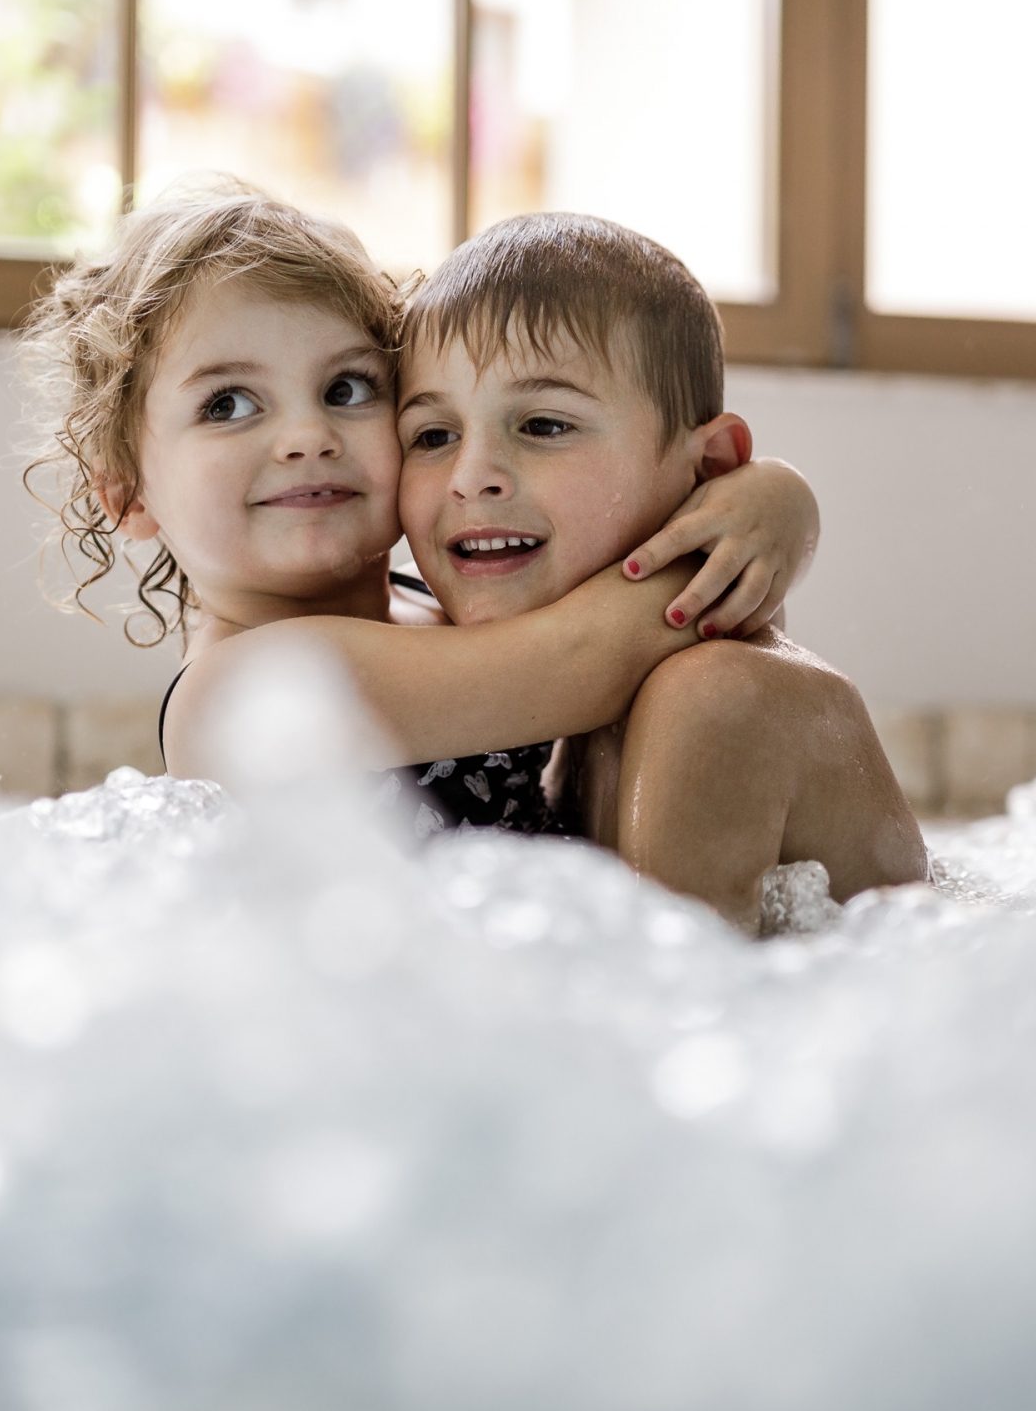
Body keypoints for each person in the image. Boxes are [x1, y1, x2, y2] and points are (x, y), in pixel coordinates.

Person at [22, 178, 820, 787]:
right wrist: (772, 507)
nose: (306, 437)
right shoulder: (245, 686)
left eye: (347, 389)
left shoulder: (450, 607)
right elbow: (593, 654)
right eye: (228, 404)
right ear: (129, 494)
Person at [395, 212, 928, 931]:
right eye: (433, 435)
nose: (471, 476)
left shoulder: (710, 698)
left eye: (544, 425)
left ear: (706, 467)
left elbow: (671, 1011)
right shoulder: (581, 688)